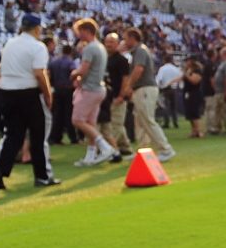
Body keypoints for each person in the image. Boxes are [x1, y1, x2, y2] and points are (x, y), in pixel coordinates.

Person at [0, 13, 57, 190]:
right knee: (37, 135)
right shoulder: (38, 47)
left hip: (7, 92)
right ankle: (42, 176)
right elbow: (39, 73)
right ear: (37, 29)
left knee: (12, 135)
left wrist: (5, 82)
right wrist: (48, 95)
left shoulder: (9, 44)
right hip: (28, 92)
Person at [69, 19, 118, 167]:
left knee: (77, 120)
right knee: (91, 123)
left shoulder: (90, 48)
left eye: (80, 31)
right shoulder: (100, 47)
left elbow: (83, 69)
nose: (78, 34)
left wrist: (74, 74)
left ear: (86, 30)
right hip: (98, 88)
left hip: (90, 89)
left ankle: (105, 147)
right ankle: (90, 156)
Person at [123, 27, 175, 160]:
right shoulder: (138, 51)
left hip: (145, 88)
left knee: (147, 119)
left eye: (126, 38)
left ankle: (166, 149)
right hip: (143, 89)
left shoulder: (140, 50)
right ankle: (143, 151)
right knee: (140, 120)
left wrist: (129, 86)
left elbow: (138, 69)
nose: (124, 41)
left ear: (132, 38)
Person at [103, 30, 133, 154]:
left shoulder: (121, 60)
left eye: (111, 42)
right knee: (116, 123)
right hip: (107, 96)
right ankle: (125, 147)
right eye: (107, 42)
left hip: (118, 96)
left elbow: (126, 79)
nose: (109, 44)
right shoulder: (105, 58)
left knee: (116, 123)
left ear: (117, 44)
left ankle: (112, 150)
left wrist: (121, 95)